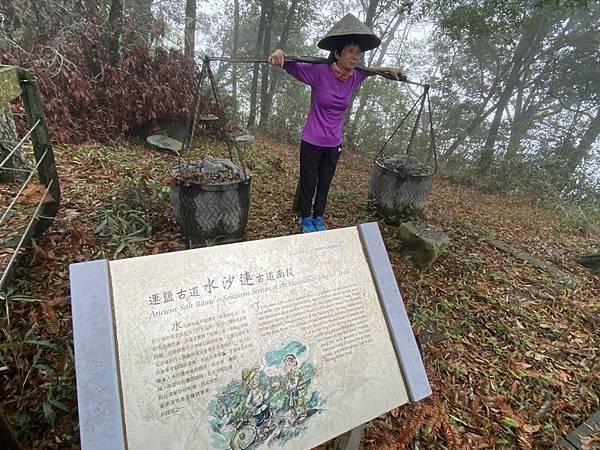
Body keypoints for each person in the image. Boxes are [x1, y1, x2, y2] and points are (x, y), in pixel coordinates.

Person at [267, 13, 402, 233]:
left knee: (325, 184)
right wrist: (280, 53)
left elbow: (371, 72)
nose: (355, 57)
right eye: (350, 51)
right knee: (309, 182)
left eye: (357, 53)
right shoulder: (319, 72)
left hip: (334, 143)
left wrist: (388, 70)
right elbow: (290, 65)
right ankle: (305, 217)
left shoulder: (355, 76)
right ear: (337, 53)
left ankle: (318, 216)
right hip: (312, 139)